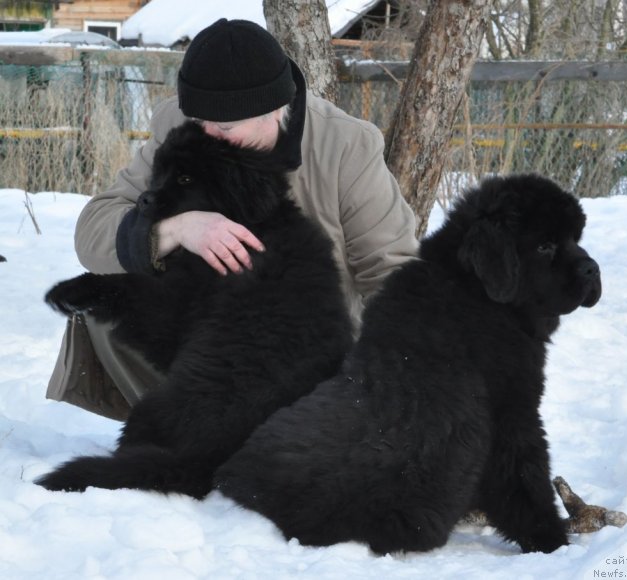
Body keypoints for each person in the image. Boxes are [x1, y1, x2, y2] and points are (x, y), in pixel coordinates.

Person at [46, 18, 418, 421]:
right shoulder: (179, 124)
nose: (208, 136)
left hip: (308, 360)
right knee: (104, 303)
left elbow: (394, 272)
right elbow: (94, 230)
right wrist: (174, 230)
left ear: (276, 109)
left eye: (225, 126)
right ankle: (187, 437)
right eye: (199, 122)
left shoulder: (346, 147)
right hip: (201, 339)